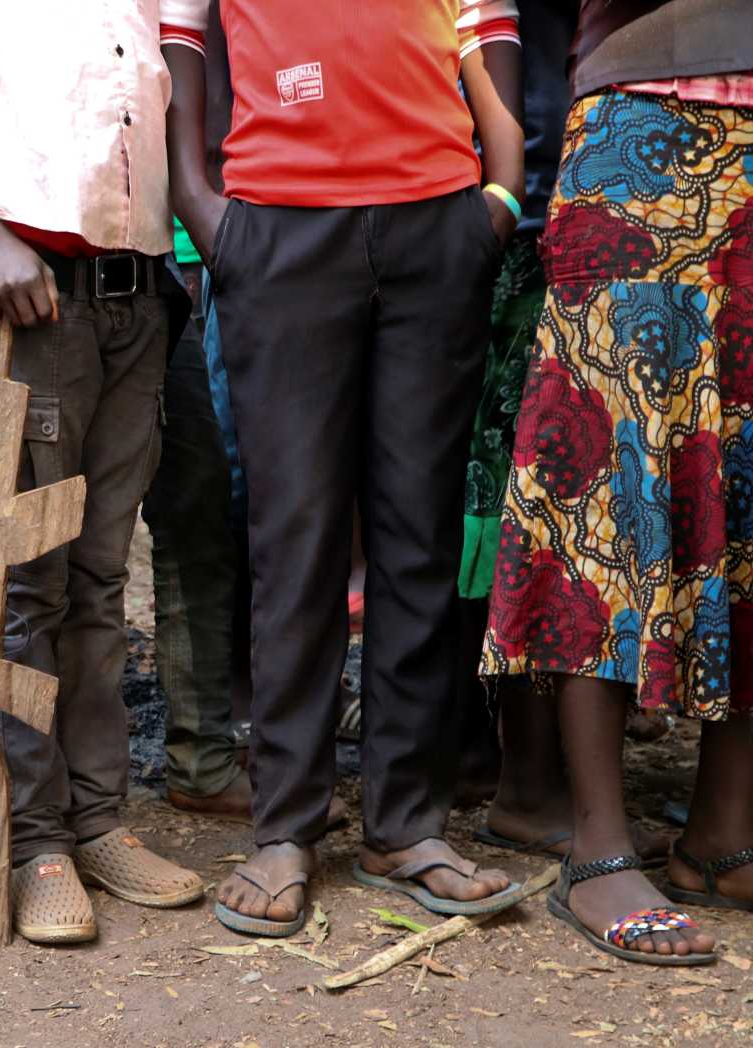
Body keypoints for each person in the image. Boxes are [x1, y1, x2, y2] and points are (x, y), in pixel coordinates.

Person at [163, 0, 526, 936]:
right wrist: (201, 205)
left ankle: (405, 825)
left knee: (419, 531)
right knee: (298, 537)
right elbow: (177, 37)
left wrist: (503, 192)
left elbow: (487, 28)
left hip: (438, 224)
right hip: (279, 227)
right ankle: (286, 827)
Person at [0, 0, 206, 945]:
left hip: (135, 297)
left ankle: (99, 819)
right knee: (27, 579)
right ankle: (36, 840)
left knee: (101, 577)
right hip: (30, 295)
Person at [481, 0, 752, 966]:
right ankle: (598, 849)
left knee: (750, 476)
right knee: (607, 470)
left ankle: (723, 836)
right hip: (644, 124)